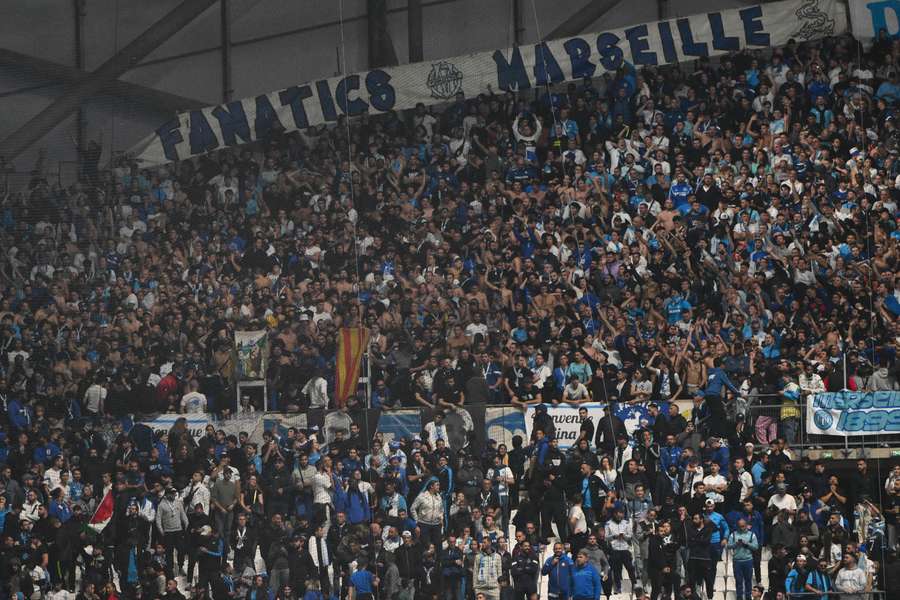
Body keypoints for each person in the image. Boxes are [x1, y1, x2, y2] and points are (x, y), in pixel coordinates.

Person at [727, 519, 759, 600]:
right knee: (738, 582)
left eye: (743, 526)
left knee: (748, 581)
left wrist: (747, 544)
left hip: (748, 561)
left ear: (746, 525)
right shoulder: (733, 534)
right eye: (740, 526)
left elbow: (756, 547)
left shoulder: (752, 534)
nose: (741, 528)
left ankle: (748, 597)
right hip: (737, 561)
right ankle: (739, 597)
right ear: (737, 525)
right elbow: (728, 546)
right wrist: (736, 544)